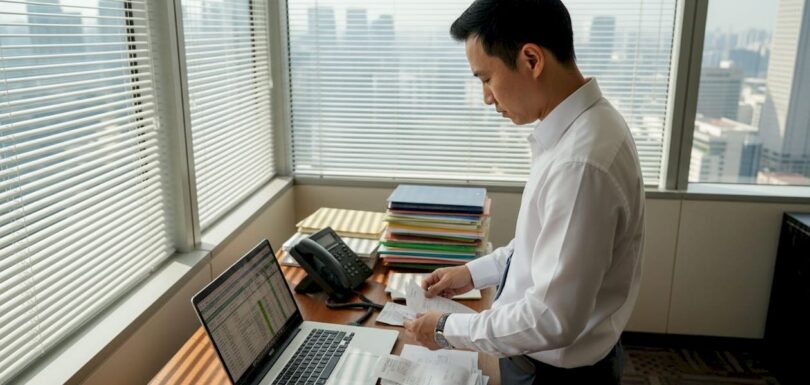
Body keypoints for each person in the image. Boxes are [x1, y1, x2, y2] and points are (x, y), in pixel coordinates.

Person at [402, 1, 646, 384]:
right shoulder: (579, 130)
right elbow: (539, 248)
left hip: (554, 373)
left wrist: (444, 330)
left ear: (531, 60)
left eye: (486, 78)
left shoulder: (580, 164)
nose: (486, 97)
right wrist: (471, 273)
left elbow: (550, 318)